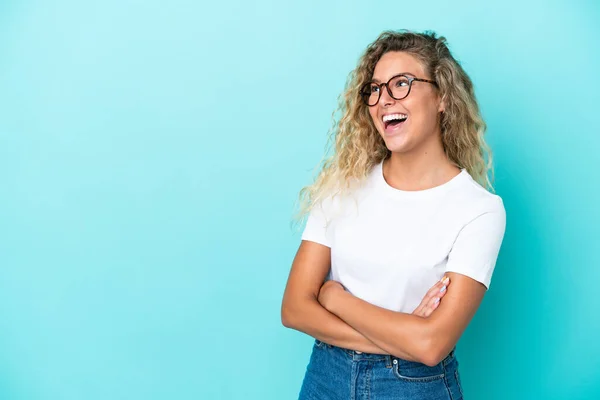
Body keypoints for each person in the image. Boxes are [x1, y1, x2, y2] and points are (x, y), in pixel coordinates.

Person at [281, 29, 507, 400]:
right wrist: (404, 338)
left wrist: (336, 299)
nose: (384, 99)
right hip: (326, 377)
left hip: (414, 386)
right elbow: (294, 308)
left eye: (401, 84)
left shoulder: (478, 210)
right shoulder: (342, 186)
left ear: (443, 98)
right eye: (375, 89)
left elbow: (432, 345)